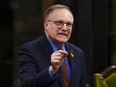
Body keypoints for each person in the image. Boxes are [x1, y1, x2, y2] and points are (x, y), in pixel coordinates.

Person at [19, 4, 87, 87]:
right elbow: (27, 85)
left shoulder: (78, 53)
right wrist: (51, 70)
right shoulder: (30, 50)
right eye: (59, 23)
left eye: (69, 24)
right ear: (46, 25)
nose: (65, 28)